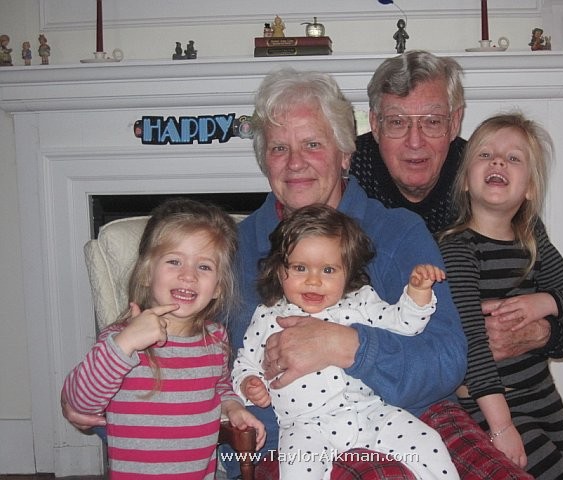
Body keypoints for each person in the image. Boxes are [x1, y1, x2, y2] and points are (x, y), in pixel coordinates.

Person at [62, 68, 529, 480]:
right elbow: (176, 359)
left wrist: (348, 345)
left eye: (312, 144)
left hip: (408, 418)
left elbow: (447, 360)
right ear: (264, 160)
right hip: (288, 438)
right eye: (279, 148)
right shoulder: (230, 251)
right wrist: (94, 400)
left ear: (345, 154)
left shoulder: (397, 232)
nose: (295, 162)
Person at [349, 49, 563, 366]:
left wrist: (537, 333)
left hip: (476, 378)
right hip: (372, 363)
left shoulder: (486, 180)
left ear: (455, 122)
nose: (414, 141)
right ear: (374, 123)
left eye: (432, 122)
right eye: (397, 122)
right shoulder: (347, 174)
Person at [233, 204, 456, 480]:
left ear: (348, 272)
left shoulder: (360, 301)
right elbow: (245, 363)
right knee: (296, 471)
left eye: (328, 270)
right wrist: (249, 384)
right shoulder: (269, 316)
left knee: (426, 443)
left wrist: (417, 293)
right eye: (300, 268)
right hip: (304, 427)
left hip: (369, 412)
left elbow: (402, 324)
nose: (314, 281)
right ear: (279, 271)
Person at [438, 112, 563, 479]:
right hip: (489, 405)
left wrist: (544, 302)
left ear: (529, 189)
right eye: (485, 154)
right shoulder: (456, 247)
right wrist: (501, 425)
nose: (498, 161)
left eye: (513, 158)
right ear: (465, 181)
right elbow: (471, 343)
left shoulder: (531, 239)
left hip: (544, 397)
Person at [62, 198, 265, 479]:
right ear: (147, 273)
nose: (188, 275)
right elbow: (80, 403)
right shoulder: (121, 340)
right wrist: (125, 343)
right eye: (174, 261)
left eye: (204, 267)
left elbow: (219, 387)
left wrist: (233, 407)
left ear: (218, 287)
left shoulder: (216, 339)